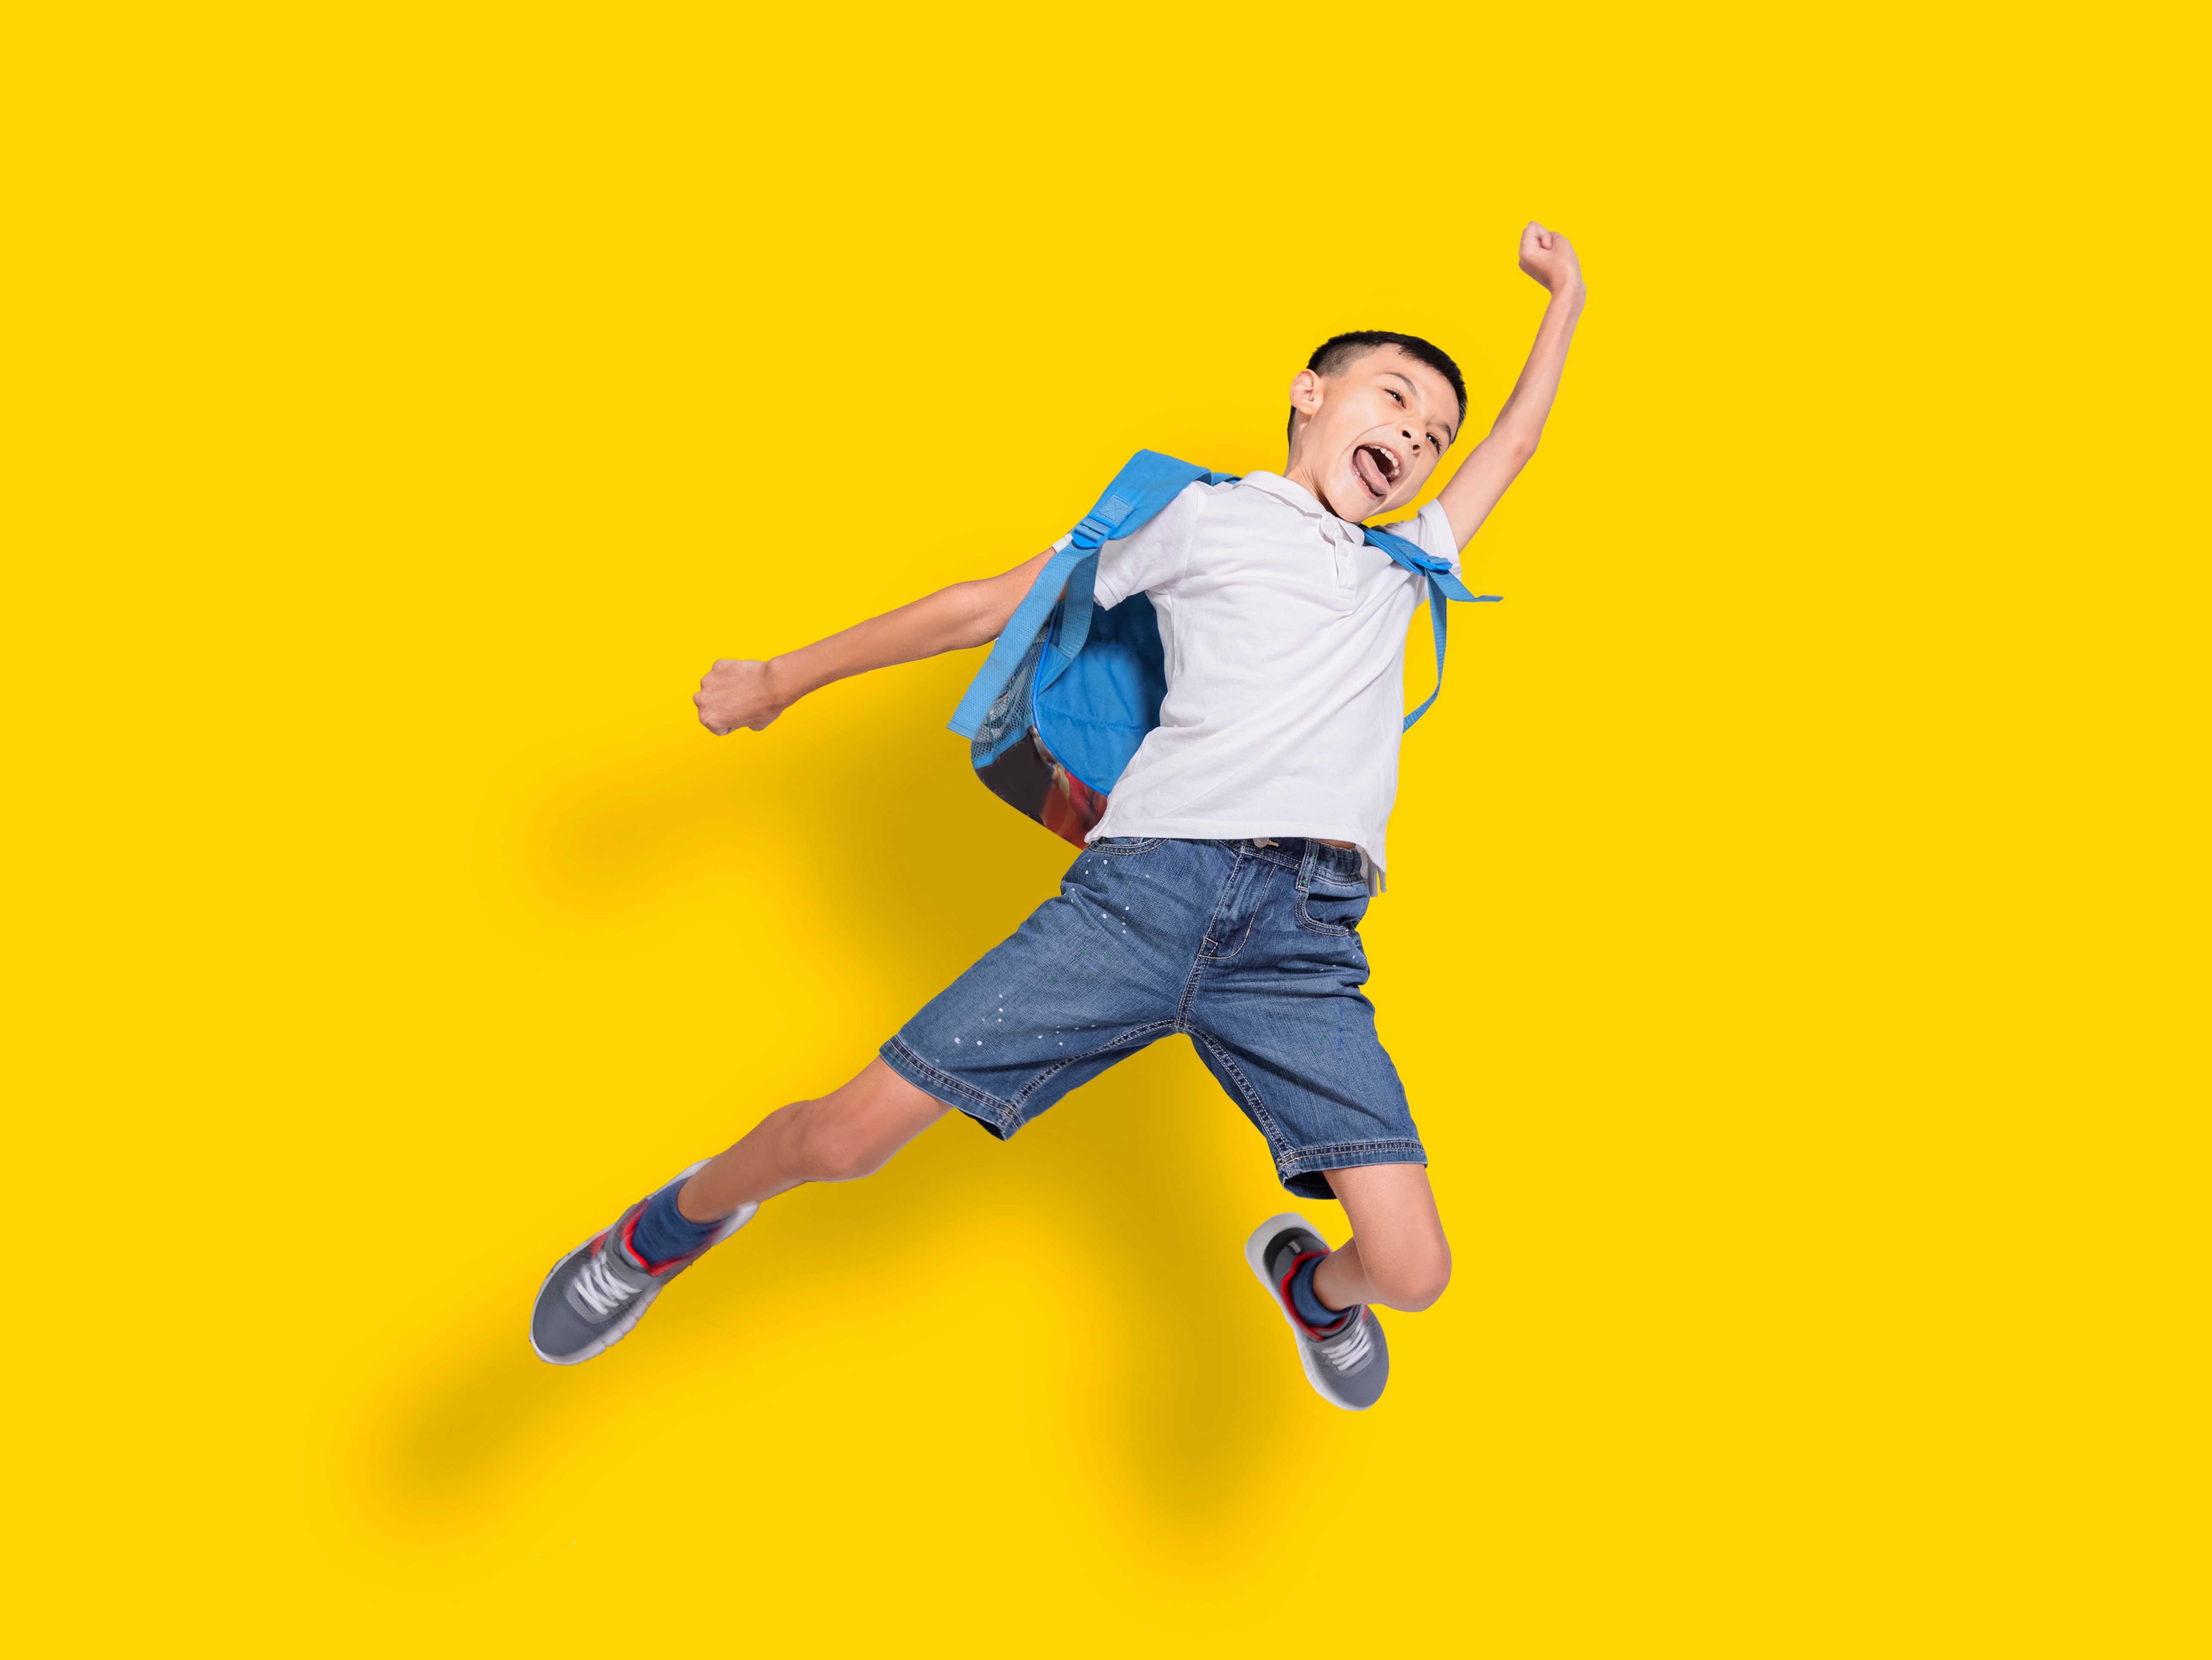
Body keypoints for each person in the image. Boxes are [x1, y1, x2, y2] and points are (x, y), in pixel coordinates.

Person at [531, 223, 1587, 1409]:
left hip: (1301, 944)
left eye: (1434, 434)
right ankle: (669, 1225)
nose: (1414, 435)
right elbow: (987, 606)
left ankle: (1310, 1288)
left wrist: (1565, 301)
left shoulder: (1406, 568)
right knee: (845, 1142)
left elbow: (1522, 438)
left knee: (1413, 1269)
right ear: (1310, 394)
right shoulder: (1206, 516)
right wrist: (782, 680)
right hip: (1141, 903)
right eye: (1392, 398)